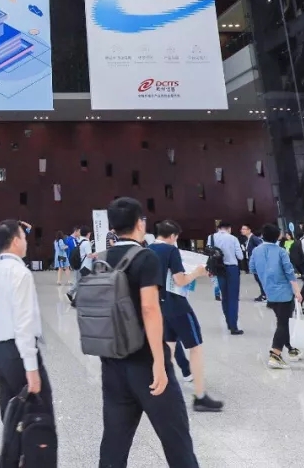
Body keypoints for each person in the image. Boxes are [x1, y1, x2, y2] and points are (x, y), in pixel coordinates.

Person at [98, 198, 198, 468]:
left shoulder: (101, 259)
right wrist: (159, 362)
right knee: (176, 439)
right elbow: (149, 309)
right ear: (139, 224)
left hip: (112, 362)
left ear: (112, 226)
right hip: (145, 361)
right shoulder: (145, 257)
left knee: (114, 443)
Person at [150, 219, 222, 412]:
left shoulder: (148, 249)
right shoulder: (171, 250)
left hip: (159, 305)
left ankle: (158, 390)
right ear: (173, 236)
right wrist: (197, 272)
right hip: (178, 306)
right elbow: (180, 280)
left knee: (168, 347)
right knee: (195, 347)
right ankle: (200, 396)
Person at [0, 219, 52, 423]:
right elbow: (24, 323)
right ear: (15, 241)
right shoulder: (21, 273)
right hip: (18, 355)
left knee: (11, 420)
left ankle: (11, 446)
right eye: (23, 237)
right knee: (37, 421)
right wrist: (31, 367)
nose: (26, 241)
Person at [249, 224, 304, 369]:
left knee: (282, 321)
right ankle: (275, 354)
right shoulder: (281, 251)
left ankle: (291, 349)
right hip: (284, 292)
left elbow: (252, 268)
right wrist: (297, 291)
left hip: (269, 291)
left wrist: (265, 275)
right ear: (277, 236)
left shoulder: (256, 251)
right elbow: (289, 272)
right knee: (283, 323)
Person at [210, 222, 244, 335]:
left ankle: (228, 323)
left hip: (218, 269)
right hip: (232, 268)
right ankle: (234, 326)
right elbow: (240, 256)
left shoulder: (211, 237)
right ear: (229, 228)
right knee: (233, 297)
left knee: (224, 297)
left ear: (218, 228)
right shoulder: (233, 238)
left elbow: (209, 254)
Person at [240, 225, 267, 301]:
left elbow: (261, 247)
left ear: (249, 230)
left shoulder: (254, 238)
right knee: (257, 278)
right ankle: (263, 294)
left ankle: (264, 295)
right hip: (252, 260)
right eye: (242, 229)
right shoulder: (248, 239)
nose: (242, 230)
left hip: (257, 261)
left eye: (244, 229)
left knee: (259, 278)